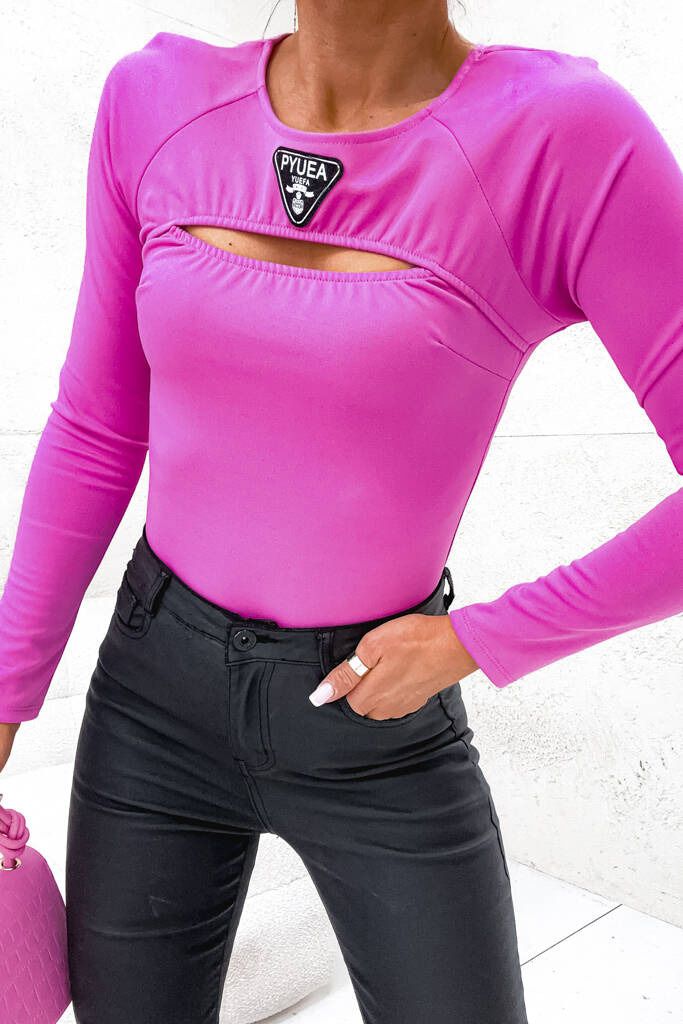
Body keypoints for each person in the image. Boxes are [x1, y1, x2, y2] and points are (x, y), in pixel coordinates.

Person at [1, 2, 681, 1021]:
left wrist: (479, 639)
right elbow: (98, 427)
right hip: (152, 704)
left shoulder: (563, 136)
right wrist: (7, 685)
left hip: (378, 725)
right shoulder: (155, 98)